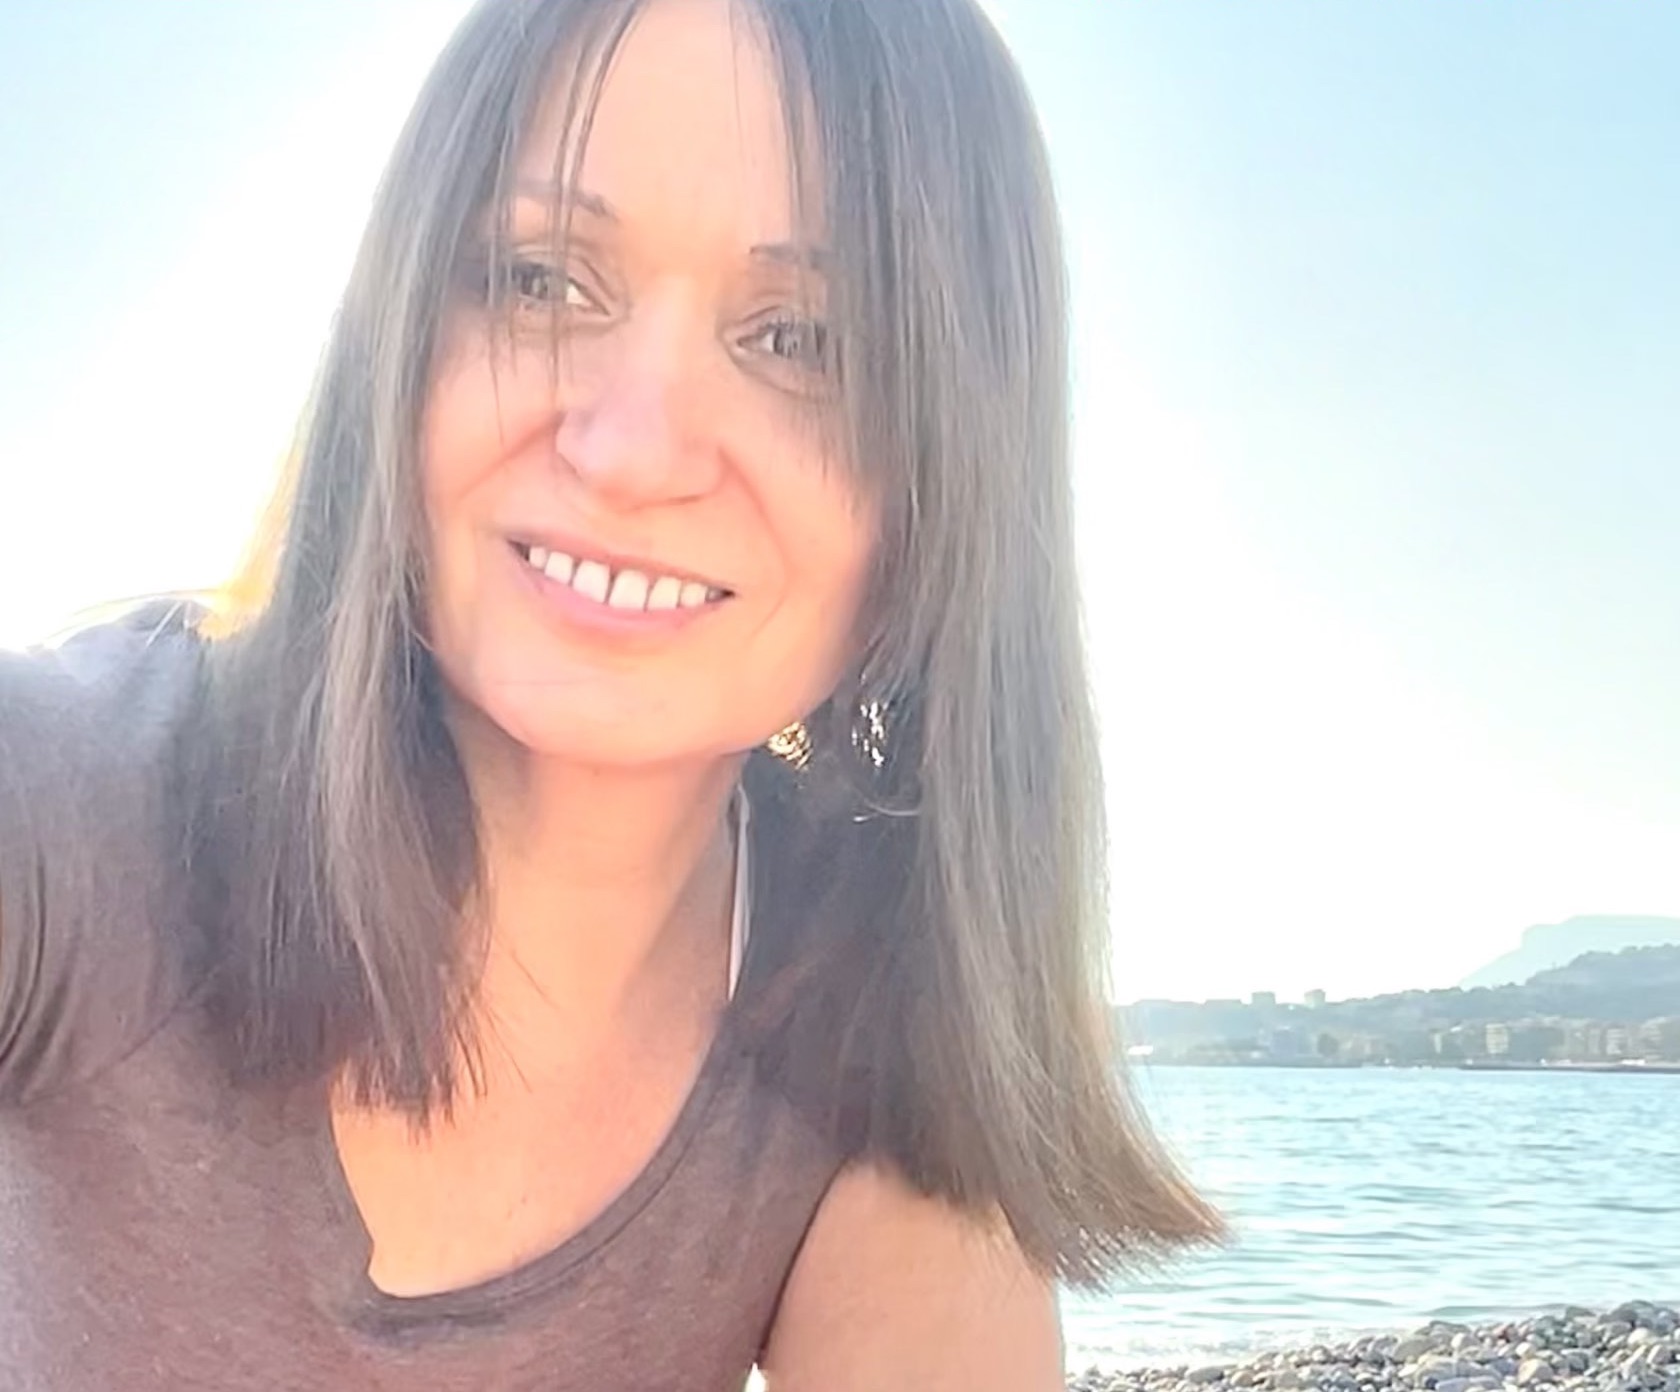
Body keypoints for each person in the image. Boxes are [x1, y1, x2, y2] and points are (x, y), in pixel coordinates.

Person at [0, 0, 1219, 1386]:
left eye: (802, 340)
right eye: (538, 279)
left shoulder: (875, 1007)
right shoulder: (66, 809)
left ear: (948, 482)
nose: (631, 448)